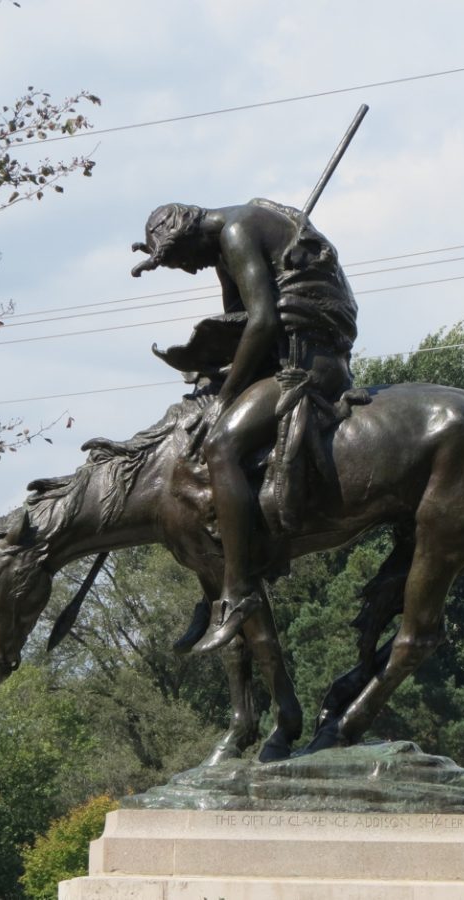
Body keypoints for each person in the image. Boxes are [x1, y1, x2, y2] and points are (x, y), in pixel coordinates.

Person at [131, 199, 359, 651]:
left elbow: (263, 321)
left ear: (188, 237)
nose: (186, 270)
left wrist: (227, 399)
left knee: (220, 445)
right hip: (281, 357)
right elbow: (240, 329)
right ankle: (214, 586)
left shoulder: (236, 232)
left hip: (308, 362)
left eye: (179, 261)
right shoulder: (225, 243)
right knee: (193, 430)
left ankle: (238, 592)